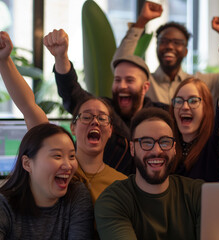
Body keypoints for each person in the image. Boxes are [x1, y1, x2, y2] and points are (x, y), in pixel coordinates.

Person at [0, 31, 127, 204]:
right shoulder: (59, 167)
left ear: (111, 129)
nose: (95, 121)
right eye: (86, 116)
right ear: (73, 126)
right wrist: (3, 60)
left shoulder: (122, 184)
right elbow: (29, 107)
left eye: (102, 117)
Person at [46, 29, 168, 175]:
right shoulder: (102, 109)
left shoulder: (163, 115)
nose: (122, 86)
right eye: (117, 80)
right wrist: (61, 57)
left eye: (129, 80)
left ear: (145, 87)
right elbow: (71, 91)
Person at [113, 1, 219, 104]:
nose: (170, 46)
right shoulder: (145, 83)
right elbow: (120, 64)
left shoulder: (202, 83)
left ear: (186, 51)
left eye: (177, 43)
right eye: (163, 41)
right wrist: (141, 22)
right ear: (156, 47)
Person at [94, 107, 203, 240]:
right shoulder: (113, 200)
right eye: (146, 142)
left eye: (164, 142)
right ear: (133, 148)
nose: (156, 151)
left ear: (174, 148)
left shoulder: (198, 194)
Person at [0, 123, 94, 239]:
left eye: (72, 156)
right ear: (27, 163)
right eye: (57, 156)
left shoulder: (77, 195)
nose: (68, 165)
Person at [170, 39, 219, 181]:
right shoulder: (167, 144)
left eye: (193, 101)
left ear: (206, 108)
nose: (185, 107)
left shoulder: (214, 144)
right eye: (179, 101)